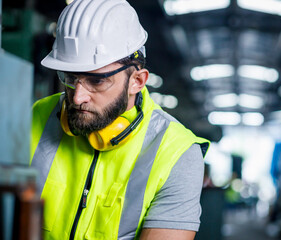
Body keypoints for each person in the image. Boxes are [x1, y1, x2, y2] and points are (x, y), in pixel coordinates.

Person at [29, 0, 210, 239]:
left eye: (97, 81)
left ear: (137, 81)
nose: (77, 96)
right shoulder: (35, 116)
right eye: (70, 77)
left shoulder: (177, 153)